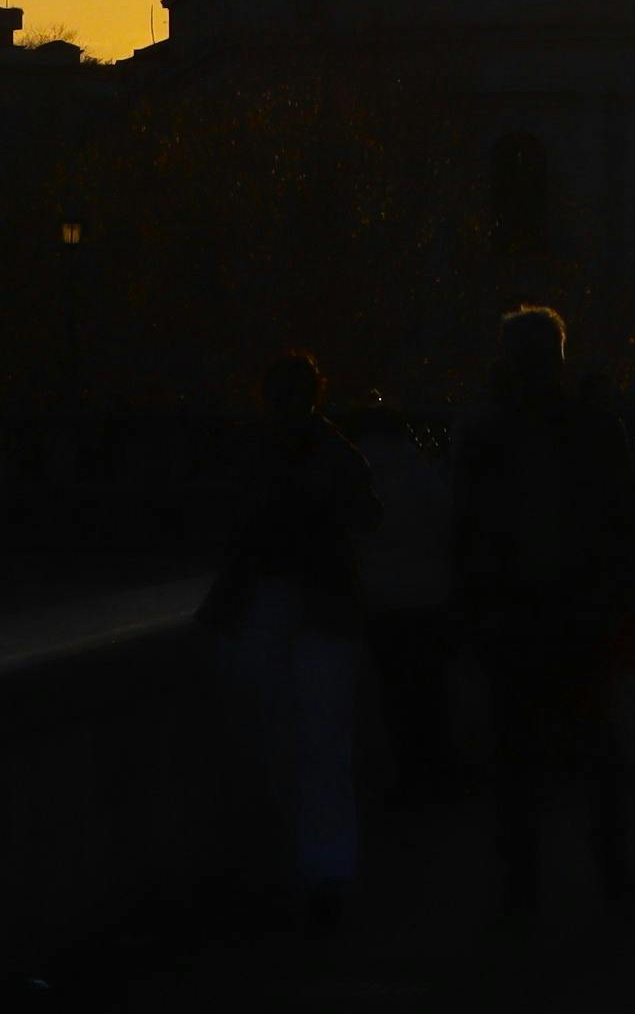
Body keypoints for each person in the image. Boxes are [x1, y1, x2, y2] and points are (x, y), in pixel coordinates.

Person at [454, 304, 635, 920]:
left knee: (519, 760)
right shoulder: (593, 428)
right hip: (576, 610)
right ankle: (609, 878)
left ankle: (523, 889)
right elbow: (625, 521)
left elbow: (466, 533)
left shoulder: (485, 433)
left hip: (518, 614)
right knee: (593, 753)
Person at [204, 350, 380, 932]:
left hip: (268, 605)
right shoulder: (336, 456)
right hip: (323, 609)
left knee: (271, 741)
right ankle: (323, 873)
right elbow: (366, 518)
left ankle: (282, 870)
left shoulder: (248, 455)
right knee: (323, 748)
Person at [342, 401, 462, 805]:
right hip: (429, 596)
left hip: (380, 601)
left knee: (395, 693)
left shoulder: (355, 477)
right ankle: (437, 770)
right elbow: (448, 528)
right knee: (431, 689)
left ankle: (409, 774)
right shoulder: (422, 475)